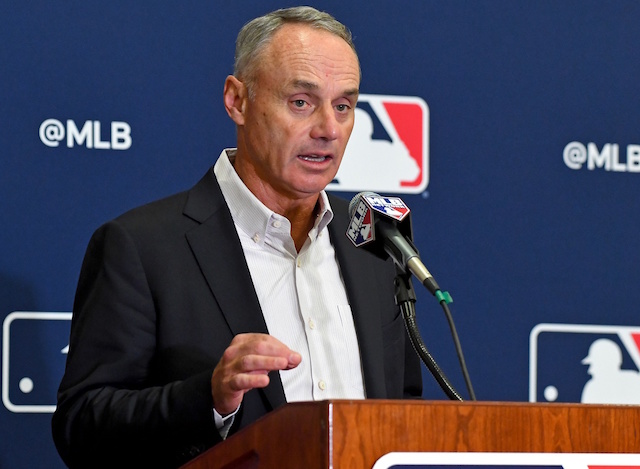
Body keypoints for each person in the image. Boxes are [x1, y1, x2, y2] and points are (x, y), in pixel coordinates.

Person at [52, 6, 422, 468]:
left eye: (343, 106)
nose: (328, 129)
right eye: (301, 102)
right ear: (238, 101)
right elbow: (82, 428)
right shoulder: (141, 248)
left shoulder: (369, 240)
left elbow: (402, 406)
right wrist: (208, 398)